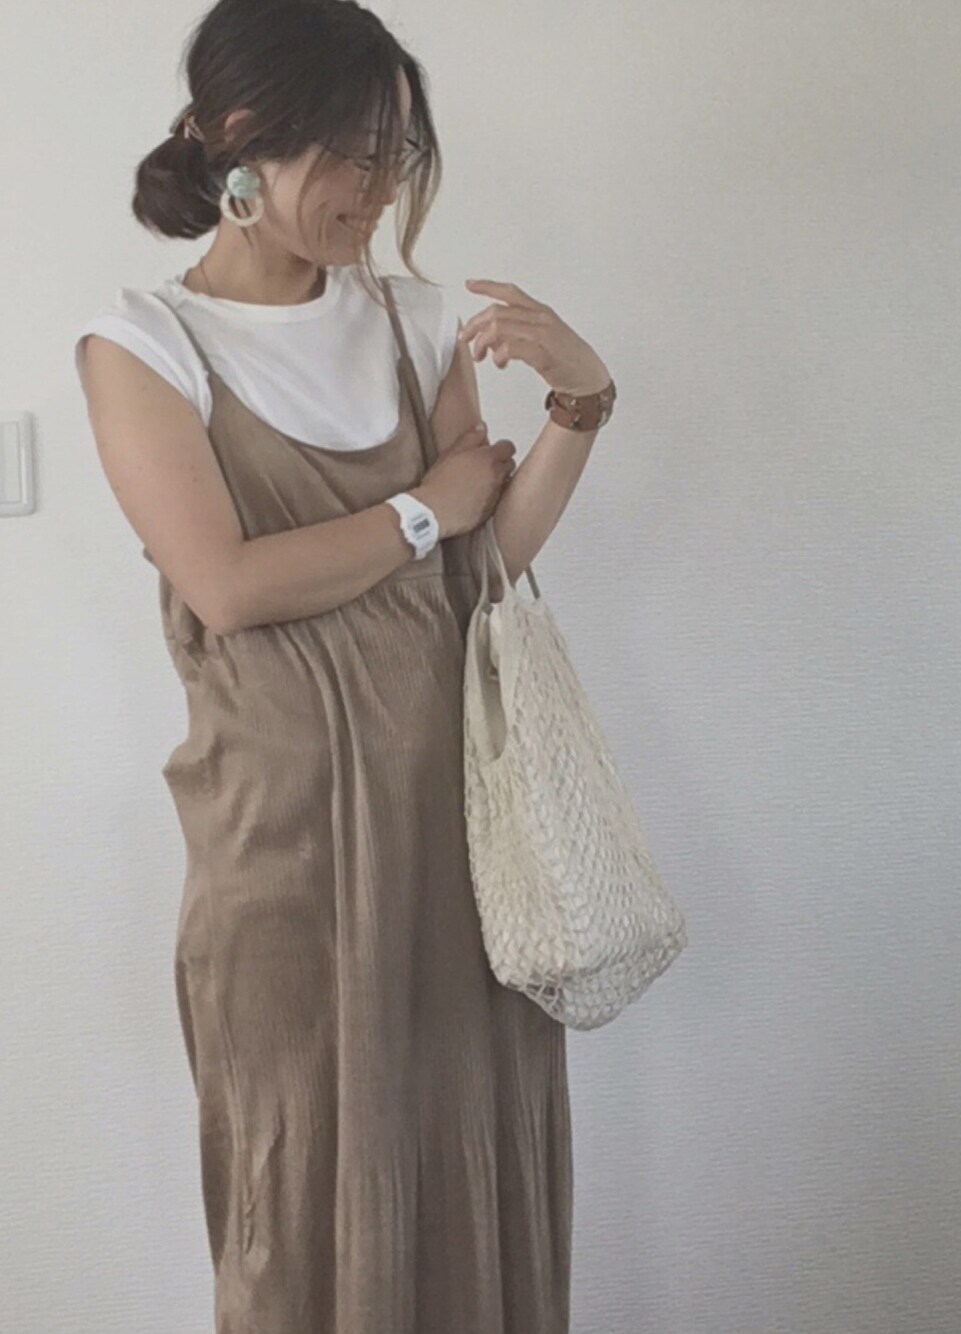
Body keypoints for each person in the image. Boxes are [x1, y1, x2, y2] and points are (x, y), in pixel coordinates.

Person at [73, 2, 615, 1330]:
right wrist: (425, 506)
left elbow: (483, 570)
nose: (373, 189)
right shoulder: (145, 345)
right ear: (236, 137)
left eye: (393, 155)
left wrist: (580, 405)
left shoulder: (414, 320)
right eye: (345, 152)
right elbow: (228, 586)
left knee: (469, 1167)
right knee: (301, 1187)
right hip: (285, 849)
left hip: (460, 835)